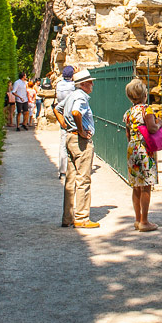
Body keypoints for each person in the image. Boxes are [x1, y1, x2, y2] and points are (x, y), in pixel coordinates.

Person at [57, 69, 99, 229]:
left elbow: (57, 109)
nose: (92, 84)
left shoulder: (71, 95)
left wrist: (65, 125)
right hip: (80, 140)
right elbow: (76, 112)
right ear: (83, 84)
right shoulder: (81, 97)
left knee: (70, 179)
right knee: (83, 179)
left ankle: (67, 217)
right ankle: (81, 217)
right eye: (90, 82)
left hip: (69, 137)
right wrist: (80, 130)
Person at [123, 78, 161, 232]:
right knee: (146, 186)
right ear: (144, 94)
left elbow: (127, 133)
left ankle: (137, 219)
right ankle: (145, 221)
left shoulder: (128, 112)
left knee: (136, 186)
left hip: (132, 148)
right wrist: (159, 123)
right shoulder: (147, 110)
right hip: (145, 149)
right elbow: (152, 128)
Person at [55, 66, 76, 179]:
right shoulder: (73, 86)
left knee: (63, 142)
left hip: (62, 115)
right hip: (72, 115)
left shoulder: (59, 85)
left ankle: (63, 170)